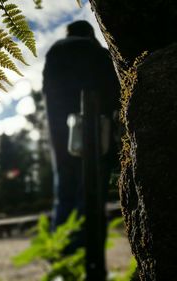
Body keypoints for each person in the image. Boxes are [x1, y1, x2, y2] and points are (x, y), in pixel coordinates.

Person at [42, 20, 120, 254]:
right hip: (97, 135)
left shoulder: (55, 52)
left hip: (61, 139)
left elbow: (49, 97)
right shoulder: (99, 53)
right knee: (91, 195)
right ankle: (90, 257)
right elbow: (115, 94)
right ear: (90, 33)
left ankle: (64, 258)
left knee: (65, 196)